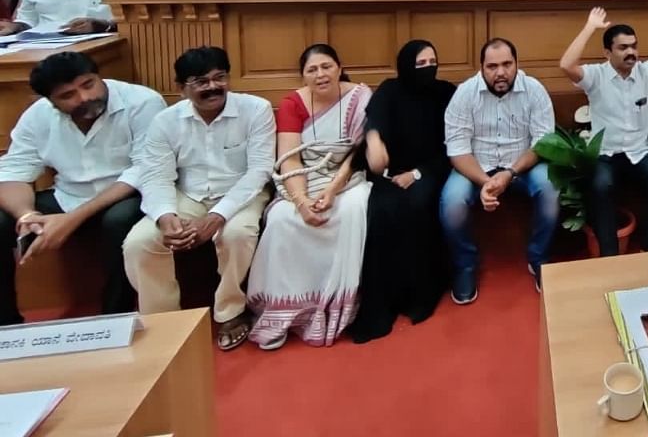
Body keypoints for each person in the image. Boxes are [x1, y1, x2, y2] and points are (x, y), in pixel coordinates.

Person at [123, 47, 274, 351]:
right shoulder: (165, 121)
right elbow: (155, 176)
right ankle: (162, 321)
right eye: (201, 82)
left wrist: (216, 217)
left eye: (220, 78)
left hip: (242, 194)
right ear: (181, 88)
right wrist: (166, 217)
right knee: (140, 242)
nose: (213, 87)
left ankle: (231, 312)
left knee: (237, 233)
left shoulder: (256, 109)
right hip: (187, 194)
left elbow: (259, 171)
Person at [0, 53, 163, 325]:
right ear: (51, 102)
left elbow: (143, 171)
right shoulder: (37, 116)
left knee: (119, 220)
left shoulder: (142, 102)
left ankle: (115, 318)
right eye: (68, 95)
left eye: (88, 84)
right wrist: (26, 216)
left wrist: (71, 221)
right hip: (68, 196)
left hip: (127, 193)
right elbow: (13, 170)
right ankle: (6, 325)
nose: (84, 97)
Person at [247, 45, 373, 349]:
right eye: (312, 70)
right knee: (280, 219)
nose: (320, 75)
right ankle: (284, 313)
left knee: (354, 209)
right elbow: (290, 159)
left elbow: (357, 155)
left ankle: (339, 305)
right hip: (303, 179)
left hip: (347, 178)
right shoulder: (293, 103)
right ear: (303, 75)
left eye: (327, 67)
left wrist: (332, 191)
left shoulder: (360, 98)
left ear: (340, 68)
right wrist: (302, 202)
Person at [559, 0, 648, 255]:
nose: (631, 52)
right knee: (600, 186)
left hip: (640, 152)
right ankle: (610, 256)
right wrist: (590, 27)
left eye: (633, 46)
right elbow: (566, 65)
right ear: (607, 53)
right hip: (606, 154)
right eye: (622, 48)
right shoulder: (595, 76)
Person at [347, 40, 455, 343]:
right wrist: (374, 140)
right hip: (387, 173)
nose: (427, 69)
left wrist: (417, 174)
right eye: (420, 64)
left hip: (430, 169)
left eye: (432, 62)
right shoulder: (390, 89)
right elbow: (375, 123)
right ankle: (385, 301)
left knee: (418, 206)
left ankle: (418, 296)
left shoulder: (446, 92)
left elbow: (453, 144)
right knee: (380, 212)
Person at [442, 38, 558, 301]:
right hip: (476, 167)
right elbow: (458, 151)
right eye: (492, 66)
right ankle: (465, 265)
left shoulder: (534, 90)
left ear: (517, 64)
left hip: (522, 166)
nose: (501, 72)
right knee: (451, 201)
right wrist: (487, 182)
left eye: (507, 64)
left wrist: (509, 174)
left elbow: (543, 144)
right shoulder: (464, 94)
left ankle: (539, 258)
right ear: (481, 68)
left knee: (551, 189)